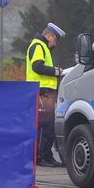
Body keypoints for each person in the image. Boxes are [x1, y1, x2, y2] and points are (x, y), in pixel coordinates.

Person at [26, 22, 65, 167]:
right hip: (42, 92)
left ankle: (43, 156)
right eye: (55, 40)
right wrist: (56, 71)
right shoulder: (38, 46)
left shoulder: (40, 46)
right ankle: (42, 156)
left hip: (44, 92)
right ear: (50, 36)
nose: (55, 44)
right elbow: (37, 66)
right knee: (47, 126)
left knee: (44, 125)